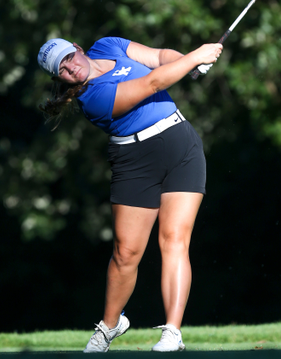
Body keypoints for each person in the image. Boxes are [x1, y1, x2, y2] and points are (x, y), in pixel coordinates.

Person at [37, 36, 223, 353]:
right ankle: (110, 325)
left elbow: (160, 56)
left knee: (174, 238)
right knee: (126, 255)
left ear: (78, 49)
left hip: (182, 145)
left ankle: (172, 332)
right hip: (135, 163)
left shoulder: (108, 46)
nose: (71, 67)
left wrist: (189, 62)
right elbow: (151, 83)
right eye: (62, 70)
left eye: (69, 57)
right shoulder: (91, 98)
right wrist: (194, 57)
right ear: (60, 79)